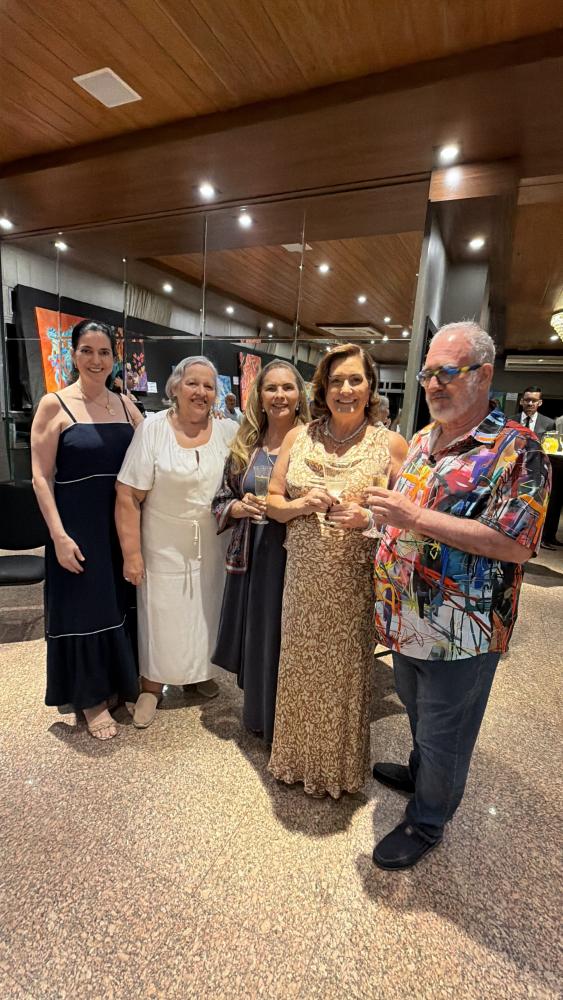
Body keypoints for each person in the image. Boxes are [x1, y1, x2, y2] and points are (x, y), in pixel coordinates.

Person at [366, 322, 551, 870]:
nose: (433, 384)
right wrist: (375, 521)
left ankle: (428, 819)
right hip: (405, 617)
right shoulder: (425, 438)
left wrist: (413, 518)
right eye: (427, 373)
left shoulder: (518, 449)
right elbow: (403, 517)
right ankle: (421, 773)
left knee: (446, 730)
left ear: (484, 375)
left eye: (447, 373)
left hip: (462, 630)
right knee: (418, 710)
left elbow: (516, 544)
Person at [267, 344, 408, 798]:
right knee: (299, 668)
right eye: (335, 381)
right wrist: (300, 505)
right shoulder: (299, 436)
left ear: (370, 387)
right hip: (303, 578)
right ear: (322, 389)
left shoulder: (390, 444)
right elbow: (272, 502)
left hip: (352, 582)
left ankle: (337, 771)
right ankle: (293, 761)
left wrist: (368, 519)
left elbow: (409, 518)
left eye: (355, 380)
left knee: (342, 675)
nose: (345, 390)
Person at [31, 320, 143, 740]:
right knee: (85, 608)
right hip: (78, 527)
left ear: (114, 358)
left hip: (121, 526)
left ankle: (119, 682)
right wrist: (58, 536)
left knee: (118, 604)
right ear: (73, 355)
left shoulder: (127, 406)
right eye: (87, 351)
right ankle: (91, 700)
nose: (96, 360)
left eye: (104, 352)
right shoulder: (54, 404)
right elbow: (41, 477)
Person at [115, 357, 238, 729]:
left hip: (213, 543)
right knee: (162, 615)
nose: (200, 392)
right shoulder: (153, 430)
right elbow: (127, 495)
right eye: (192, 383)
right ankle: (152, 685)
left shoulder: (227, 431)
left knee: (205, 612)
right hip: (162, 544)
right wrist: (132, 554)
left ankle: (197, 674)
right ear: (175, 388)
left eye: (208, 386)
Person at [211, 362, 310, 744]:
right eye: (271, 388)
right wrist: (238, 507)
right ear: (260, 396)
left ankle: (289, 725)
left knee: (288, 640)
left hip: (295, 557)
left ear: (299, 395)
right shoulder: (245, 445)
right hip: (252, 556)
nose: (280, 395)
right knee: (259, 635)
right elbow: (221, 497)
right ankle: (258, 716)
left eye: (287, 388)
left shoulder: (312, 442)